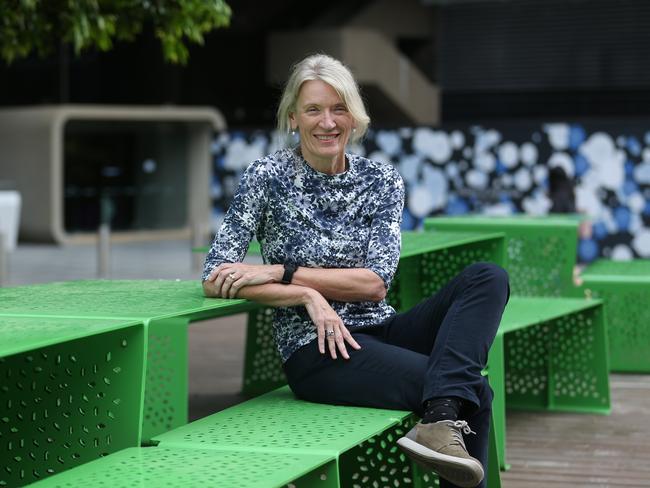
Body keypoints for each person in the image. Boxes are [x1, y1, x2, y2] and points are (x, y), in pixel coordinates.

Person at [202, 54, 509, 488]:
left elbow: (374, 284)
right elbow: (215, 275)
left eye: (338, 108)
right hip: (317, 351)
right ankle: (440, 419)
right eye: (313, 110)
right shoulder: (267, 176)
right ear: (293, 118)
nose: (327, 122)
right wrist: (307, 297)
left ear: (355, 117)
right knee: (469, 391)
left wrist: (283, 271)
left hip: (378, 329)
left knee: (487, 277)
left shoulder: (381, 180)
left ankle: (439, 419)